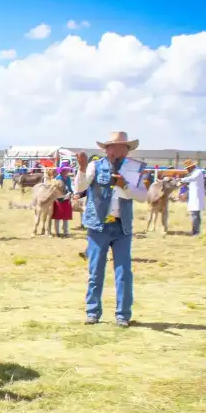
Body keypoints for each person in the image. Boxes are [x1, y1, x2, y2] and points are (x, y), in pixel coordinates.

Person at [74, 131, 148, 328]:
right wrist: (81, 169)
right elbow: (80, 187)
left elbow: (142, 196)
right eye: (113, 146)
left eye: (122, 147)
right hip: (99, 226)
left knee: (123, 272)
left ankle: (123, 315)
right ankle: (92, 312)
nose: (117, 150)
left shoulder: (134, 169)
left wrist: (126, 186)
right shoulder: (94, 166)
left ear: (127, 150)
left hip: (121, 226)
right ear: (107, 149)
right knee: (95, 270)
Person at [180, 159, 205, 236]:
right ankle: (195, 231)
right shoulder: (195, 172)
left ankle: (196, 232)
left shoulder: (198, 172)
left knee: (195, 215)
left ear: (192, 167)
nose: (187, 170)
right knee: (195, 214)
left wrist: (181, 180)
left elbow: (192, 179)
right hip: (195, 196)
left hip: (196, 197)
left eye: (187, 168)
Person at [52, 164, 74, 237]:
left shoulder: (68, 178)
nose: (67, 171)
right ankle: (57, 232)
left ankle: (65, 232)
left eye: (68, 170)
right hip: (59, 199)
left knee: (65, 216)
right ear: (62, 170)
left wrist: (72, 193)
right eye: (66, 170)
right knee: (57, 216)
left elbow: (70, 188)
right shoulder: (57, 178)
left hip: (67, 199)